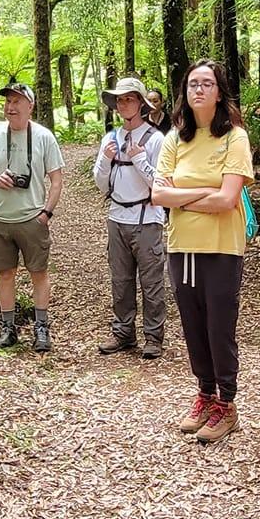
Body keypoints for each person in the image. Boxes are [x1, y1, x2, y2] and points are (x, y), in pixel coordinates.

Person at [151, 60, 253, 443]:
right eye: (193, 84)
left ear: (220, 91)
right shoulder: (175, 138)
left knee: (218, 326)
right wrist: (199, 194)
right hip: (182, 246)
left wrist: (182, 195)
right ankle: (205, 394)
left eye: (207, 84)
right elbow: (158, 194)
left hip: (222, 247)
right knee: (193, 325)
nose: (199, 90)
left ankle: (227, 404)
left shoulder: (234, 138)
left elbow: (228, 199)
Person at [0, 83, 65, 352]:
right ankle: (8, 327)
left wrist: (46, 213)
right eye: (8, 102)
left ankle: (41, 328)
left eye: (17, 101)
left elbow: (56, 180)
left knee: (38, 272)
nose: (10, 107)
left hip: (32, 218)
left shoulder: (44, 137)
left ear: (30, 106)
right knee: (5, 274)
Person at [94, 77, 167, 359]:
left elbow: (160, 184)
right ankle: (123, 333)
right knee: (121, 280)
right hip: (117, 217)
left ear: (141, 103)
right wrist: (106, 161)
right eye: (120, 100)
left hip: (148, 219)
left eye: (129, 99)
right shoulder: (110, 139)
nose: (124, 104)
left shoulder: (156, 139)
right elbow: (101, 183)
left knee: (152, 282)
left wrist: (139, 160)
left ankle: (153, 337)